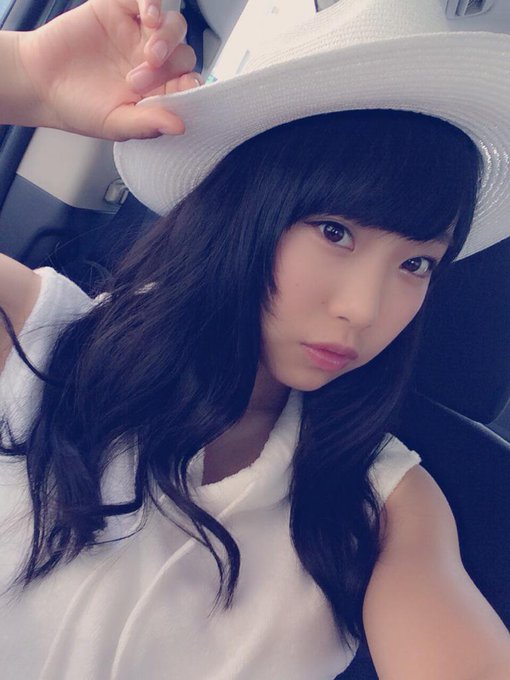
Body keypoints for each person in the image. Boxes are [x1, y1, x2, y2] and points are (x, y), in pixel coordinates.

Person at [0, 0, 509, 678]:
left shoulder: (386, 505)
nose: (363, 309)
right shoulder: (35, 339)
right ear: (243, 209)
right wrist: (26, 76)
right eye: (335, 232)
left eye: (416, 264)